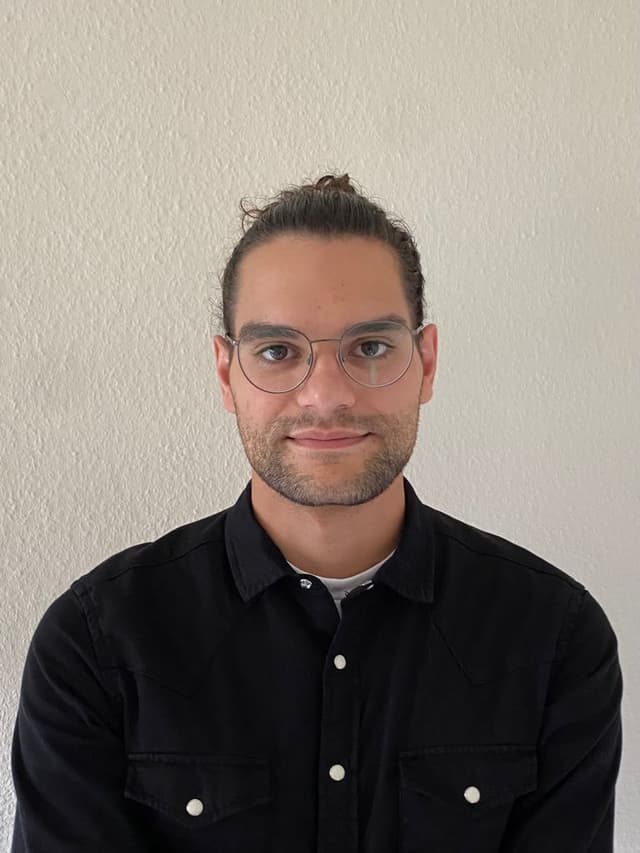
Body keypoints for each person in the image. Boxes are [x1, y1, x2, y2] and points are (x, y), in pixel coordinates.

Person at [10, 173, 622, 852]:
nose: (326, 395)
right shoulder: (97, 644)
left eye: (370, 348)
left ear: (425, 363)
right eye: (278, 352)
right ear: (226, 373)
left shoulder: (553, 638)